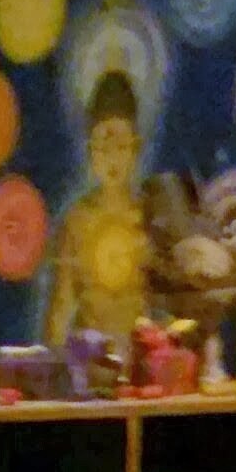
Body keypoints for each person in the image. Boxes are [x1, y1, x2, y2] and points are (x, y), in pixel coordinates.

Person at [45, 68, 152, 346]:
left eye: (121, 146)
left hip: (144, 357)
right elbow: (60, 306)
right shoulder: (77, 220)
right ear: (90, 152)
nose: (112, 158)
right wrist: (53, 363)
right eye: (103, 147)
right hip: (90, 359)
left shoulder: (151, 215)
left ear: (136, 149)